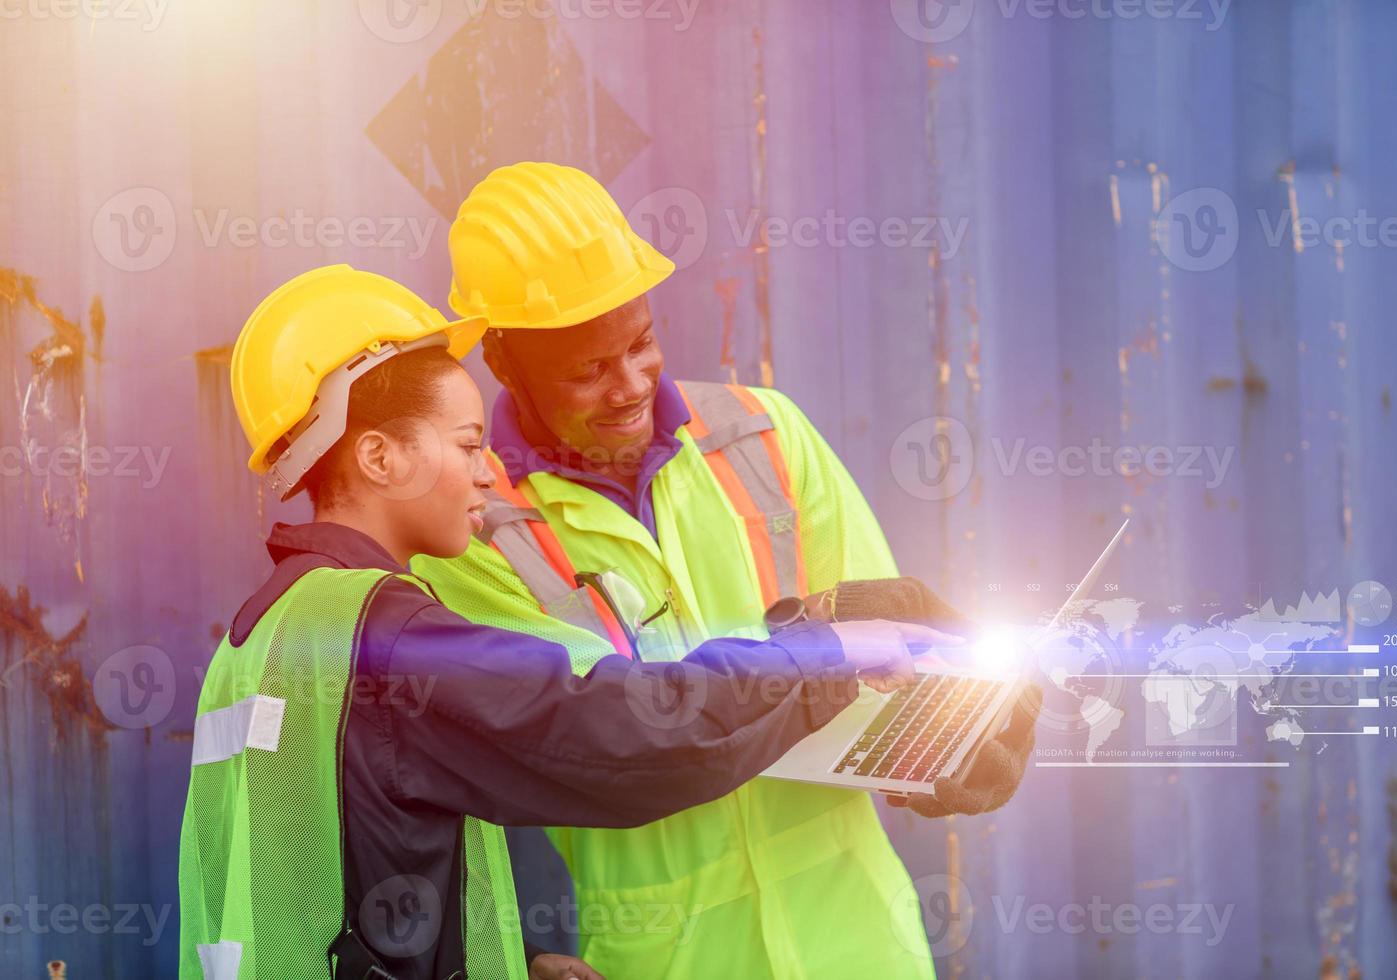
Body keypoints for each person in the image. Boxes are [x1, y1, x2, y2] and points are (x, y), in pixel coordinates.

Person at [176, 264, 960, 980]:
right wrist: (821, 656)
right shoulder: (388, 638)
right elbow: (624, 731)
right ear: (381, 460)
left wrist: (512, 967)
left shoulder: (264, 633)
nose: (490, 471)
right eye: (466, 444)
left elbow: (318, 878)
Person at [411, 162, 1041, 978]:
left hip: (858, 945)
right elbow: (612, 746)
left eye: (640, 344)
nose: (631, 385)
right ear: (505, 360)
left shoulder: (763, 435)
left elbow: (888, 668)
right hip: (675, 959)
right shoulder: (480, 535)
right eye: (587, 369)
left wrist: (958, 737)